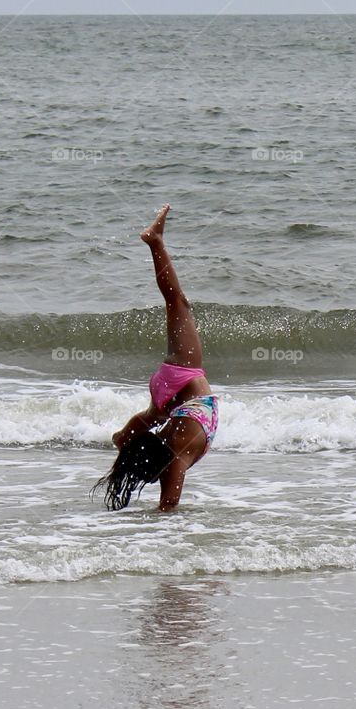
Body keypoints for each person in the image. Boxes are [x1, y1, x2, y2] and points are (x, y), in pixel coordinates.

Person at [94, 204, 218, 512]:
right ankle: (124, 434)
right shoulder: (170, 454)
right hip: (169, 402)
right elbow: (167, 505)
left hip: (184, 384)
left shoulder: (174, 459)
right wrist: (125, 439)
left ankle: (156, 242)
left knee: (178, 303)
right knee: (152, 416)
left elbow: (169, 506)